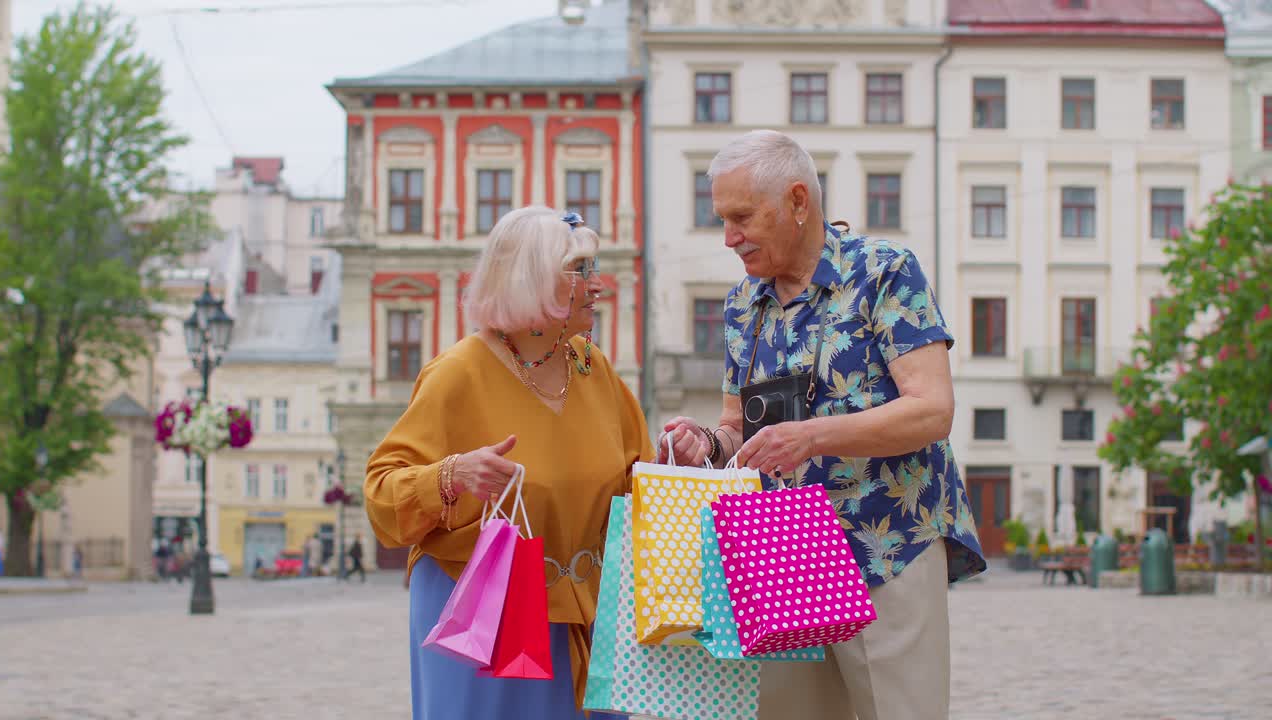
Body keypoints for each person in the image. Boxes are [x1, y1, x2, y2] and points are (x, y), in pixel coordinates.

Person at [658, 130, 987, 720]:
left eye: (741, 218)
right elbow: (739, 425)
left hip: (885, 543)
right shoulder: (741, 304)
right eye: (722, 220)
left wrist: (811, 436)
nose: (729, 238)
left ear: (798, 201)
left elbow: (932, 409)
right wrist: (706, 442)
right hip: (780, 555)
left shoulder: (885, 272)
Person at [365, 206, 651, 720]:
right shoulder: (458, 373)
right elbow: (383, 496)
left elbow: (635, 479)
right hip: (483, 617)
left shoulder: (592, 367)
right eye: (580, 270)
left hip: (588, 614)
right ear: (533, 278)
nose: (597, 284)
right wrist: (451, 474)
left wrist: (688, 454)